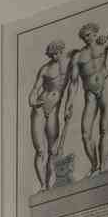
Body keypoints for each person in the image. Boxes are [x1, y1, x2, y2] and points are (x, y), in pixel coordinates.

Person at [69, 16, 108, 177]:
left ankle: (103, 167)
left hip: (106, 86)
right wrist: (69, 102)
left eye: (91, 34)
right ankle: (94, 166)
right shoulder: (78, 56)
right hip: (90, 93)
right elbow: (74, 82)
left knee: (104, 128)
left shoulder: (105, 43)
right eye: (86, 36)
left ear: (96, 33)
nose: (89, 38)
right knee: (85, 132)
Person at [27, 38, 70, 192]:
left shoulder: (70, 65)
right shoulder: (45, 69)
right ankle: (43, 185)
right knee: (40, 150)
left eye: (56, 54)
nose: (53, 57)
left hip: (54, 111)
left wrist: (69, 104)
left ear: (61, 51)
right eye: (51, 55)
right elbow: (35, 89)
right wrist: (32, 99)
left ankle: (51, 183)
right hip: (40, 108)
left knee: (53, 150)